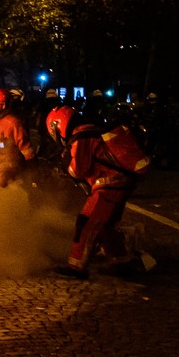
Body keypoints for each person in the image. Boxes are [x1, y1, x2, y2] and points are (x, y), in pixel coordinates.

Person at [45, 105, 139, 279]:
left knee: (86, 223)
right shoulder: (90, 130)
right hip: (121, 182)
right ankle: (121, 262)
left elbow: (78, 170)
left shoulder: (80, 137)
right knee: (107, 225)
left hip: (107, 186)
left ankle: (76, 267)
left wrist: (66, 165)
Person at [0, 88, 37, 188]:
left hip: (9, 174)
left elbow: (26, 150)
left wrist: (34, 173)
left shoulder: (12, 123)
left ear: (3, 105)